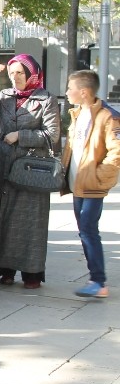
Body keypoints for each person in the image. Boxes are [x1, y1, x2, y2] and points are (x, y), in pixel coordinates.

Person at [0, 55, 60, 289]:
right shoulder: (6, 96)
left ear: (32, 73)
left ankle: (31, 273)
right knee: (2, 217)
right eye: (12, 74)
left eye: (20, 73)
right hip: (3, 165)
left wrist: (20, 136)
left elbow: (52, 135)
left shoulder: (46, 99)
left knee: (29, 222)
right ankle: (5, 269)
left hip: (31, 168)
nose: (15, 78)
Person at [62, 70, 120, 299]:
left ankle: (98, 281)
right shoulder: (77, 114)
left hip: (92, 185)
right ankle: (95, 278)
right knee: (85, 230)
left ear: (83, 92)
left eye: (70, 88)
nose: (67, 93)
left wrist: (97, 177)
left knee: (88, 230)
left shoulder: (108, 117)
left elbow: (116, 153)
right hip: (77, 184)